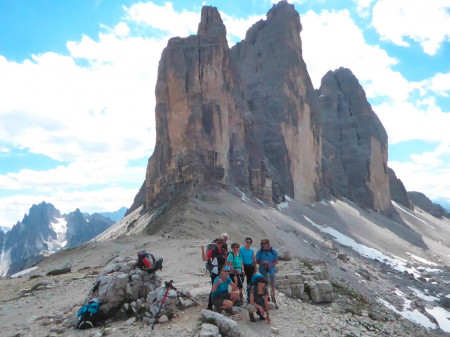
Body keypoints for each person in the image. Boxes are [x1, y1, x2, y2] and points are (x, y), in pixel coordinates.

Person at [202, 236, 227, 310]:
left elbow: (225, 262)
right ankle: (210, 306)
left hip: (221, 272)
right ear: (215, 243)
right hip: (215, 272)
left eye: (221, 243)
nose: (219, 244)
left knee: (221, 287)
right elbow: (204, 259)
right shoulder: (212, 251)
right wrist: (202, 250)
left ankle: (219, 305)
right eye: (218, 243)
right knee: (214, 288)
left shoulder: (223, 251)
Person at [256, 238, 279, 308]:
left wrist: (270, 265)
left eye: (265, 244)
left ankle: (273, 298)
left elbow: (276, 261)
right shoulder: (260, 251)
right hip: (263, 271)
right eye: (263, 244)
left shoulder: (273, 251)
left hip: (271, 270)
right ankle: (267, 297)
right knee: (265, 285)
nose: (264, 245)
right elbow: (257, 260)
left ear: (268, 244)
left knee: (272, 285)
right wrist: (263, 263)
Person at [240, 237, 257, 303]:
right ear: (245, 242)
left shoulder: (251, 251)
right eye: (247, 241)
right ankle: (240, 296)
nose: (248, 243)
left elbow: (253, 260)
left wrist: (255, 268)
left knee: (249, 283)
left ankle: (249, 297)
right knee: (241, 282)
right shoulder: (241, 250)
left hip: (250, 267)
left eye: (249, 242)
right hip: (243, 266)